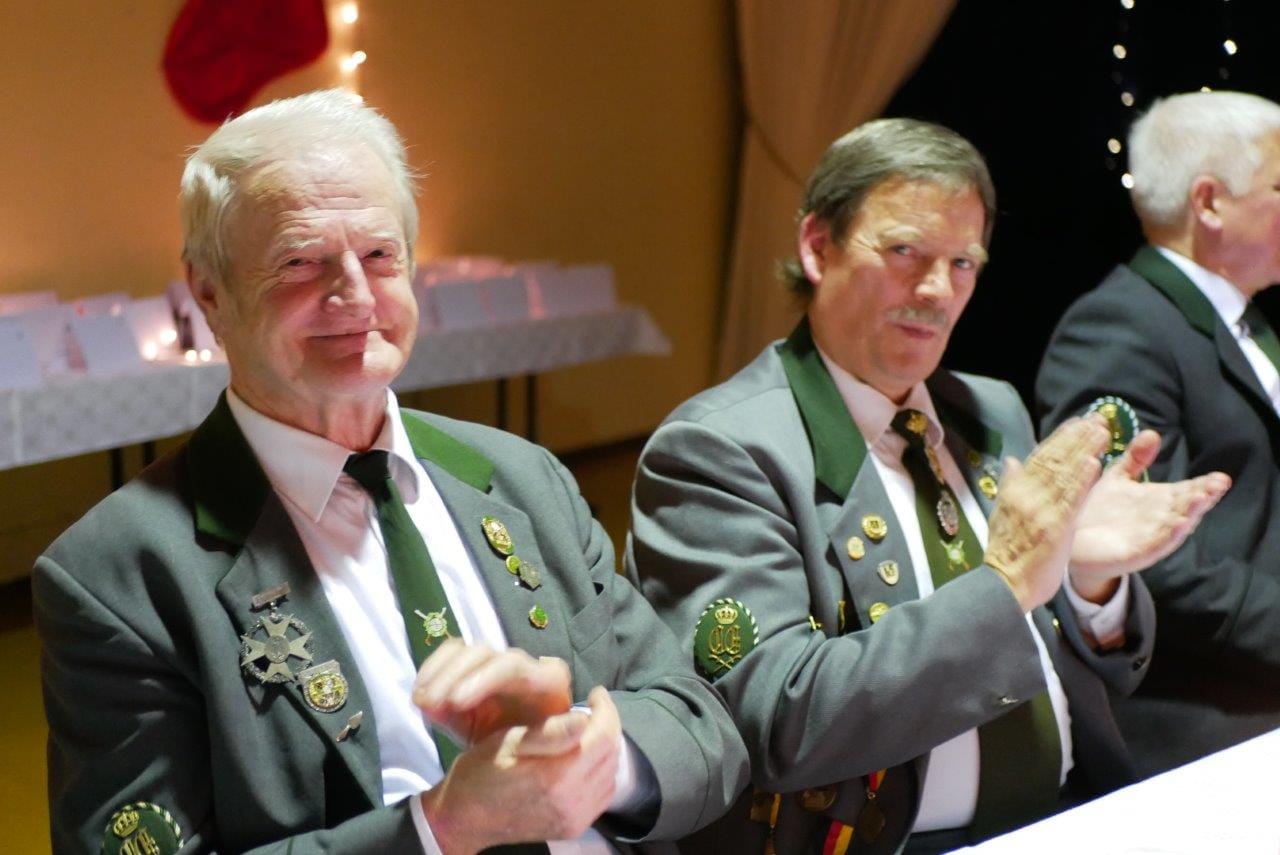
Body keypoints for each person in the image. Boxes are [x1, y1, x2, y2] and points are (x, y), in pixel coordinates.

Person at [34, 90, 747, 855]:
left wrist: (596, 763)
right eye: (300, 262)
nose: (354, 295)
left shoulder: (522, 477)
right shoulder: (120, 575)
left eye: (379, 255)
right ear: (209, 291)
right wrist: (441, 827)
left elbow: (699, 725)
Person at [626, 118, 1229, 853]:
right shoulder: (719, 450)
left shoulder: (991, 408)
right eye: (904, 251)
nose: (938, 289)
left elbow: (1090, 664)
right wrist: (1008, 583)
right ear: (817, 245)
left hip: (1076, 812)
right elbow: (775, 721)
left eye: (963, 262)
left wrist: (1088, 581)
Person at [1037, 90, 1280, 776]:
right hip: (1201, 731)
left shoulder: (1246, 323)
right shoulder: (1117, 328)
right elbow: (1148, 552)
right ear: (1209, 202)